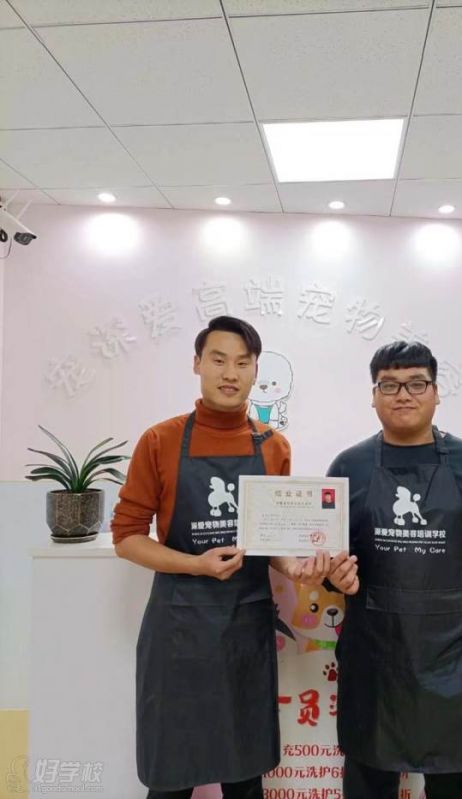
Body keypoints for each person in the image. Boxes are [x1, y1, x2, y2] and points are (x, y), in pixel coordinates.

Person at [112, 316, 332, 799]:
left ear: (255, 371)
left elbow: (270, 539)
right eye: (218, 360)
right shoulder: (160, 440)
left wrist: (294, 567)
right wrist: (196, 564)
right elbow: (126, 537)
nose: (230, 373)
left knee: (245, 774)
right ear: (197, 364)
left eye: (242, 363)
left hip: (244, 628)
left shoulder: (273, 446)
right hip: (178, 628)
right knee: (171, 776)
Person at [326, 341, 462, 799]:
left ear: (436, 392)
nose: (403, 394)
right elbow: (328, 559)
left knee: (455, 786)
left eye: (417, 383)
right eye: (389, 385)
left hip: (458, 661)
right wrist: (331, 576)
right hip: (375, 661)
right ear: (373, 396)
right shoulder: (349, 467)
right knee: (367, 784)